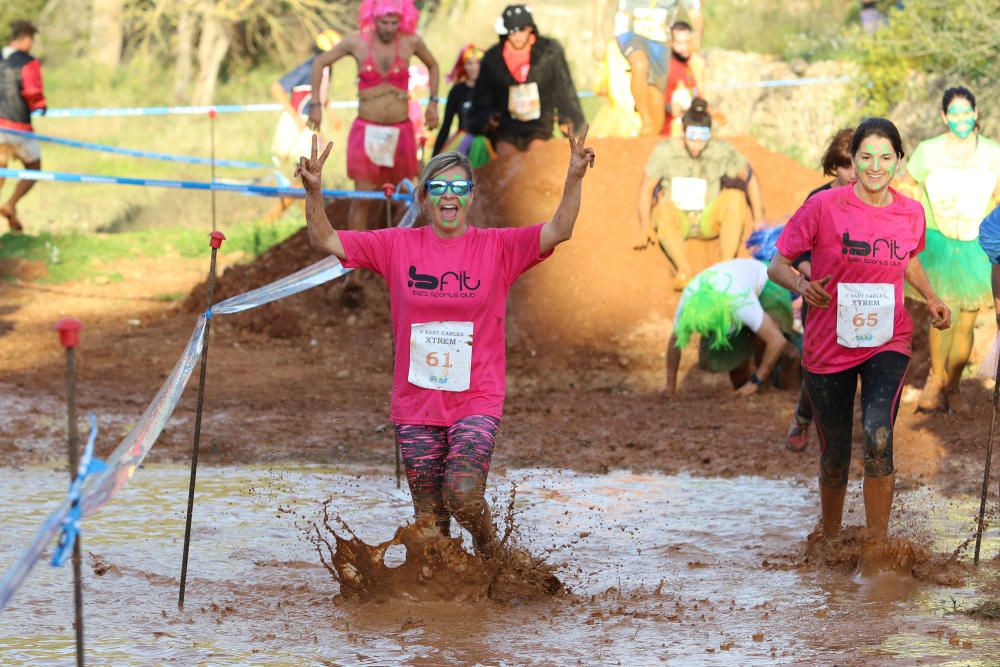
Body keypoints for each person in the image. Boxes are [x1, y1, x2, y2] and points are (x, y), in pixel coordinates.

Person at [295, 128, 595, 556]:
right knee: (431, 527)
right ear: (424, 197)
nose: (449, 196)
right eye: (439, 187)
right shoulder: (397, 245)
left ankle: (490, 549)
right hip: (416, 404)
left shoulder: (498, 247)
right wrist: (314, 193)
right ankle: (450, 609)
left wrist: (575, 178)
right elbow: (324, 239)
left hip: (476, 397)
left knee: (463, 494)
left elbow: (559, 229)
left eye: (458, 187)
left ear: (471, 197)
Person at [768, 118, 951, 570]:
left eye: (885, 157)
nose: (875, 166)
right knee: (834, 454)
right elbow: (777, 265)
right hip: (828, 344)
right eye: (866, 157)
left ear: (898, 161)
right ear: (852, 160)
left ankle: (876, 547)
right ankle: (829, 542)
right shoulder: (824, 206)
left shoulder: (910, 212)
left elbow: (907, 260)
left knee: (879, 434)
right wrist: (801, 284)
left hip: (887, 339)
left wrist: (931, 298)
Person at [897, 87, 1000, 413]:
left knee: (967, 322)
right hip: (937, 241)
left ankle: (953, 387)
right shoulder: (928, 151)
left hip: (975, 246)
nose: (961, 119)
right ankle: (935, 379)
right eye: (953, 113)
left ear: (976, 113)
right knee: (940, 315)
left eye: (966, 112)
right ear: (944, 116)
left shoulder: (993, 152)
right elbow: (908, 187)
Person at [306, 0, 439, 232]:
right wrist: (316, 104)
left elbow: (433, 65)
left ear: (403, 20)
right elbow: (320, 62)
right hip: (367, 131)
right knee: (363, 198)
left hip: (401, 131)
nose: (388, 28)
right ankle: (356, 261)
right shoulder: (356, 42)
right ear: (373, 19)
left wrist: (433, 103)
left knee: (403, 196)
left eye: (394, 23)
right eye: (383, 22)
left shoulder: (411, 42)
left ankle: (401, 254)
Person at [635, 98, 764, 288]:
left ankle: (725, 268)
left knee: (735, 197)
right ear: (683, 133)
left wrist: (759, 218)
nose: (697, 145)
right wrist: (645, 225)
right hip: (679, 219)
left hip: (708, 218)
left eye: (702, 140)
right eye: (692, 139)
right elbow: (646, 187)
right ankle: (684, 270)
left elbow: (750, 176)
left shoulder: (722, 151)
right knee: (662, 207)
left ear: (709, 136)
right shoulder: (665, 152)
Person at [786, 128, 856, 451]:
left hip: (860, 295)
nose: (852, 173)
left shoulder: (874, 199)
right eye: (844, 166)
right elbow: (796, 248)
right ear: (834, 166)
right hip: (823, 294)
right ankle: (803, 415)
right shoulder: (817, 199)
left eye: (855, 163)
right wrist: (812, 277)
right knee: (816, 363)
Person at [665, 257, 797, 398]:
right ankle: (748, 377)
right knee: (720, 358)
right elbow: (675, 341)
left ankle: (784, 367)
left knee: (767, 337)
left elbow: (777, 341)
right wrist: (670, 386)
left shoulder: (739, 302)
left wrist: (755, 382)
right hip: (737, 284)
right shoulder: (688, 301)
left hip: (767, 282)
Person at [467, 4, 585, 159]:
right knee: (508, 161)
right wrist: (487, 118)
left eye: (521, 29)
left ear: (530, 28)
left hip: (539, 124)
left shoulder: (550, 53)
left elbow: (564, 88)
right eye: (512, 31)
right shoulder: (492, 59)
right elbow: (481, 98)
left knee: (537, 158)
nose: (517, 36)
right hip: (506, 127)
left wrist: (567, 117)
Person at [266, 29, 343, 221]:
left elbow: (321, 95)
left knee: (305, 177)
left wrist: (333, 116)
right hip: (299, 125)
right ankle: (271, 218)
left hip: (311, 126)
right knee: (305, 177)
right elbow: (276, 88)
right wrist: (295, 116)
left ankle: (306, 222)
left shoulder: (327, 69)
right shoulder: (308, 68)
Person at [596, 0, 703, 136]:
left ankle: (648, 141)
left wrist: (696, 37)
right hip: (630, 32)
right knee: (640, 64)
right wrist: (598, 36)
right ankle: (645, 119)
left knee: (657, 106)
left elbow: (694, 12)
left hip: (660, 39)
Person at [0, 20, 47, 233]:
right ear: (26, 38)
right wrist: (41, 105)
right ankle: (10, 203)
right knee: (34, 169)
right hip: (18, 126)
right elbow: (32, 92)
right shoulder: (28, 62)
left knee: (1, 168)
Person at [432, 44, 494, 169]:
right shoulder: (457, 91)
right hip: (462, 144)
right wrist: (434, 158)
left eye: (478, 63)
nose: (473, 67)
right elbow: (446, 126)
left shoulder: (492, 90)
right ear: (463, 66)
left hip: (488, 145)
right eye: (469, 63)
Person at [661, 20, 704, 137]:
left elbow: (700, 94)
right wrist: (670, 107)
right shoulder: (665, 65)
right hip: (667, 128)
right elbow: (653, 100)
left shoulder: (696, 63)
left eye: (687, 42)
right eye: (679, 43)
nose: (683, 47)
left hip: (692, 126)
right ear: (671, 42)